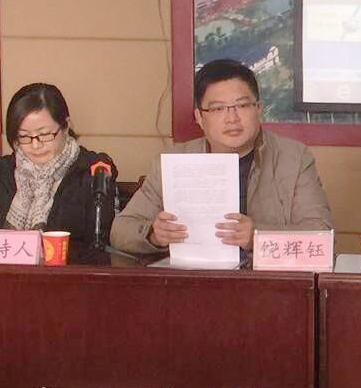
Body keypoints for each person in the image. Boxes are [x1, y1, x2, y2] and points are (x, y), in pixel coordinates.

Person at [111, 59, 331, 258]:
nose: (232, 118)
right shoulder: (174, 162)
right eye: (218, 109)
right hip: (195, 281)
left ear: (259, 109)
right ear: (199, 117)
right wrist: (153, 235)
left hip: (268, 283)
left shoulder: (294, 158)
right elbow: (120, 231)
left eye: (242, 106)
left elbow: (322, 236)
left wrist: (258, 236)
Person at [0, 83, 117, 249]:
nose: (35, 145)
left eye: (44, 134)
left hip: (69, 266)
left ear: (66, 126)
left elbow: (100, 245)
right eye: (24, 136)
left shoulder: (94, 172)